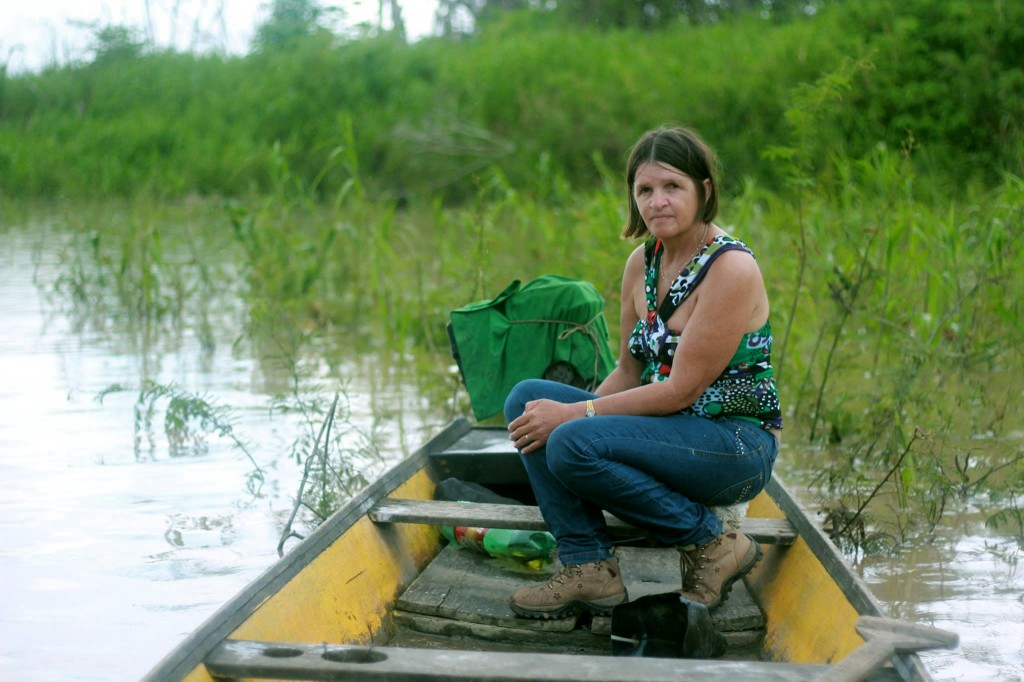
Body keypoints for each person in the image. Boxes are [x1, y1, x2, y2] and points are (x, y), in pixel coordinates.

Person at [503, 125, 782, 620]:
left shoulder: (730, 269)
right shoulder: (642, 262)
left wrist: (574, 414)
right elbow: (628, 372)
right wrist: (567, 415)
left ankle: (712, 543)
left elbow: (678, 391)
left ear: (704, 191)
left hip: (734, 446)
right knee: (526, 399)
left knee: (571, 439)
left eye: (672, 187)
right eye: (645, 190)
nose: (658, 202)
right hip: (670, 434)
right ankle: (590, 566)